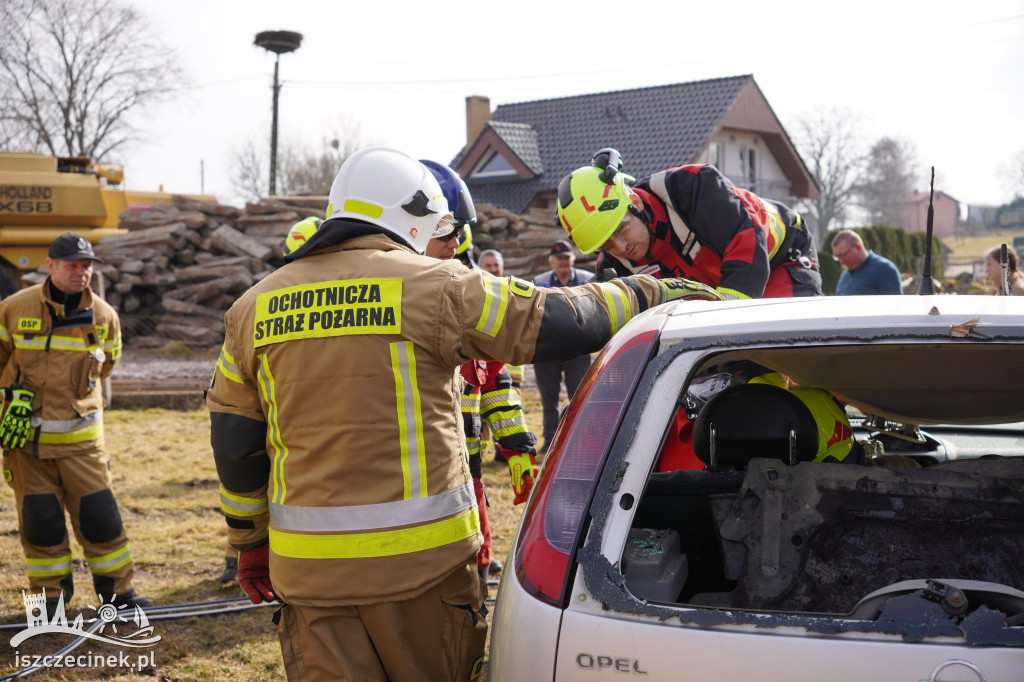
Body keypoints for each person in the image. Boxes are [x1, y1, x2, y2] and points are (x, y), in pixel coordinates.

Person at [206, 146, 722, 681]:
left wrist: (249, 543)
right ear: (410, 217)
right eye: (439, 228)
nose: (447, 242)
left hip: (309, 577)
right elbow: (555, 320)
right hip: (423, 571)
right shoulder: (434, 286)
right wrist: (651, 290)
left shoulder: (251, 308)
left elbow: (234, 445)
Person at [0, 232, 148, 617]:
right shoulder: (13, 309)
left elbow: (107, 365)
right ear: (50, 265)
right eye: (72, 265)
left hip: (83, 447)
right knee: (41, 526)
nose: (81, 273)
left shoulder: (104, 316)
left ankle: (119, 595)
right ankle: (49, 602)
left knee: (102, 521)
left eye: (86, 266)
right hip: (27, 447)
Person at [420, 160, 534, 584]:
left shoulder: (470, 296)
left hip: (467, 462)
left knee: (475, 541)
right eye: (444, 234)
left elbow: (494, 381)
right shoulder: (394, 304)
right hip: (418, 473)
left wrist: (517, 446)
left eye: (456, 235)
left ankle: (481, 568)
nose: (453, 245)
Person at [556, 147, 822, 299]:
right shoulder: (613, 267)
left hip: (781, 256)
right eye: (607, 244)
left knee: (786, 345)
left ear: (634, 202)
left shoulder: (694, 188)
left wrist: (723, 324)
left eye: (621, 229)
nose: (621, 247)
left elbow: (746, 246)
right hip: (719, 286)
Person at [533, 240, 595, 454]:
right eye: (559, 259)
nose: (563, 262)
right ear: (551, 262)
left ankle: (580, 440)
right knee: (548, 399)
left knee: (579, 397)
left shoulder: (588, 279)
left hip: (578, 348)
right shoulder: (539, 282)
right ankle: (550, 441)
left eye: (566, 258)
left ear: (573, 260)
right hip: (547, 349)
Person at [831, 229, 902, 295]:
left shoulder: (884, 270)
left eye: (843, 255)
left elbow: (895, 302)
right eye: (837, 257)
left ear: (858, 247)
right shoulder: (844, 275)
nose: (841, 261)